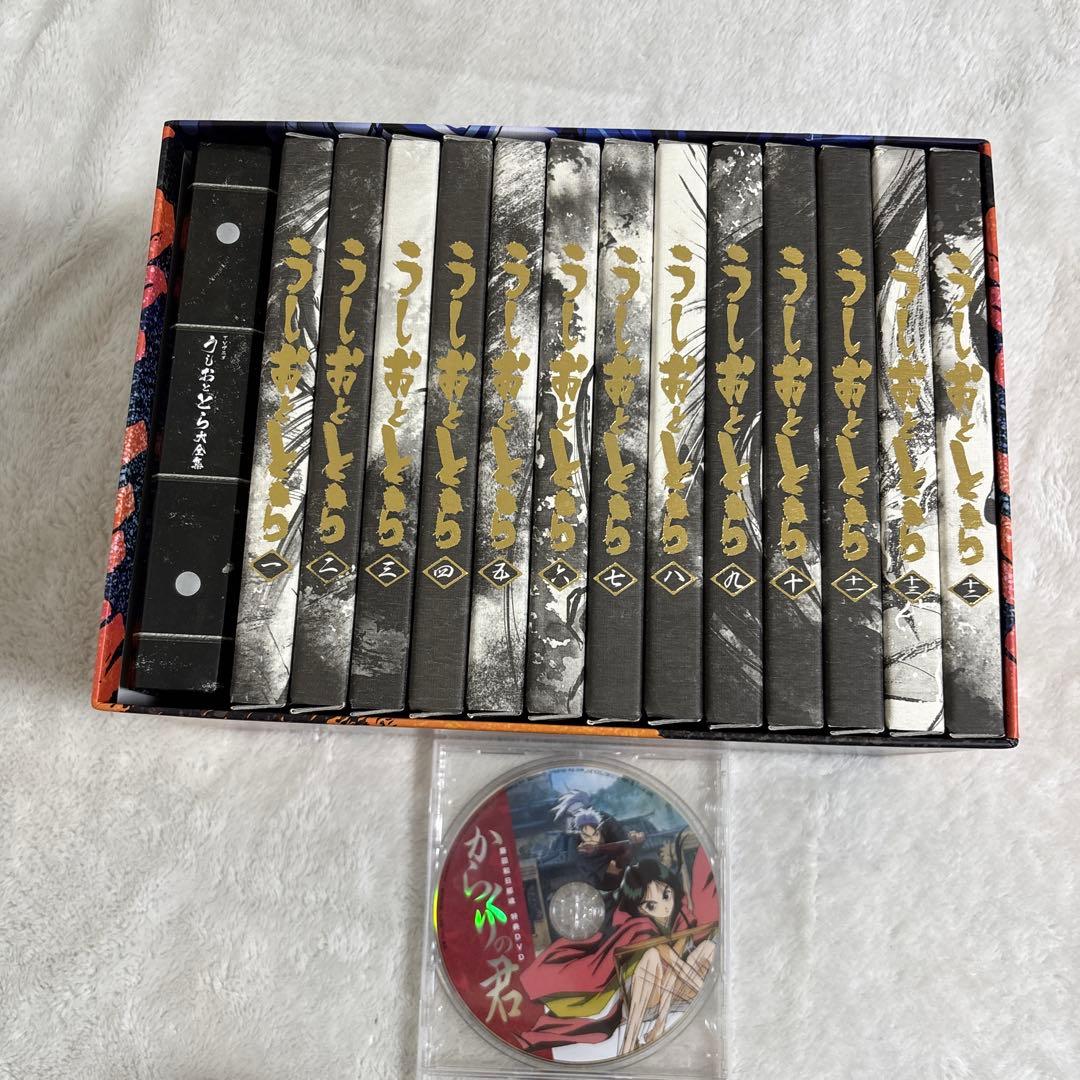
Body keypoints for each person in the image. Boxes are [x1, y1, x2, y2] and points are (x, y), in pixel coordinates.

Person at [518, 836, 718, 1058]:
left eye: (666, 895)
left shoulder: (681, 917)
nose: (663, 907)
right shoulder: (639, 928)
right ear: (639, 908)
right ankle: (629, 1043)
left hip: (674, 988)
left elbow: (679, 959)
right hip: (644, 993)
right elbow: (663, 959)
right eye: (651, 905)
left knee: (705, 948)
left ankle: (652, 1030)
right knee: (653, 955)